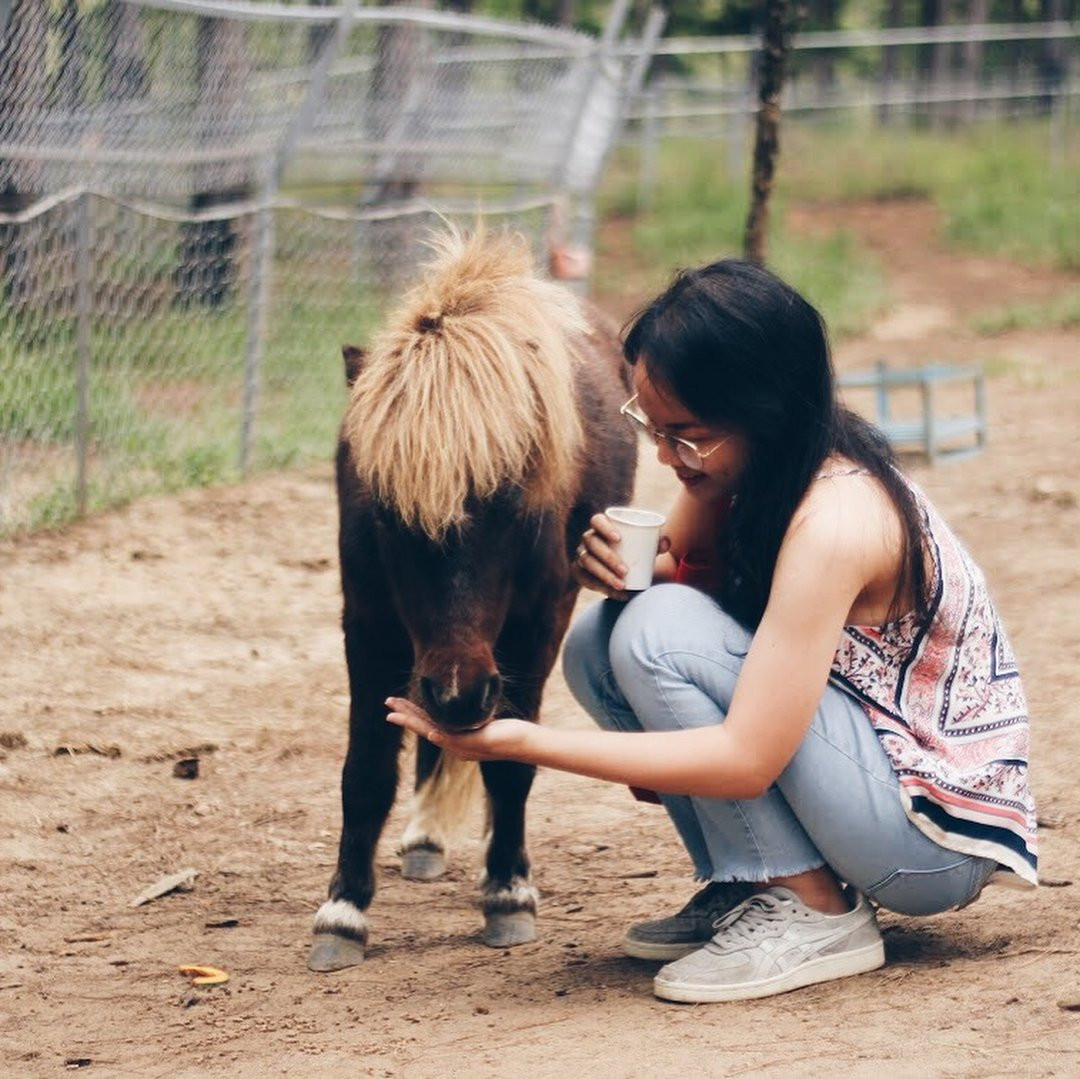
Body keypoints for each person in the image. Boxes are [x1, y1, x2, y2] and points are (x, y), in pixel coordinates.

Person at [386, 258, 1038, 1004]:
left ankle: (816, 909)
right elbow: (680, 586)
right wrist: (625, 571)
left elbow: (743, 757)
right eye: (651, 427)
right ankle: (753, 880)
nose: (664, 457)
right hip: (867, 775)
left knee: (653, 632)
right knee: (604, 639)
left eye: (684, 434)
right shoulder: (750, 472)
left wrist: (517, 740)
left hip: (930, 837)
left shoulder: (836, 517)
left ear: (764, 410)